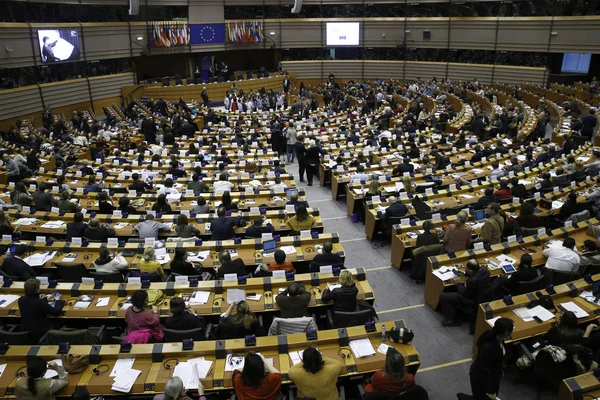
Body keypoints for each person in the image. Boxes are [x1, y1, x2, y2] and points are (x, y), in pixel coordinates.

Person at [457, 318, 514, 400]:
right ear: (505, 333)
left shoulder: (493, 336)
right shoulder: (490, 348)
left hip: (486, 375)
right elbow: (487, 372)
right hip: (481, 379)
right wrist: (492, 391)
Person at [438, 259, 490, 329]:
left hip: (471, 301)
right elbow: (476, 274)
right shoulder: (485, 271)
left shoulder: (472, 281)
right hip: (482, 297)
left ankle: (453, 319)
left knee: (443, 296)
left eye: (467, 269)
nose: (466, 269)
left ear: (471, 270)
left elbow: (464, 294)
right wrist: (465, 273)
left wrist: (458, 283)